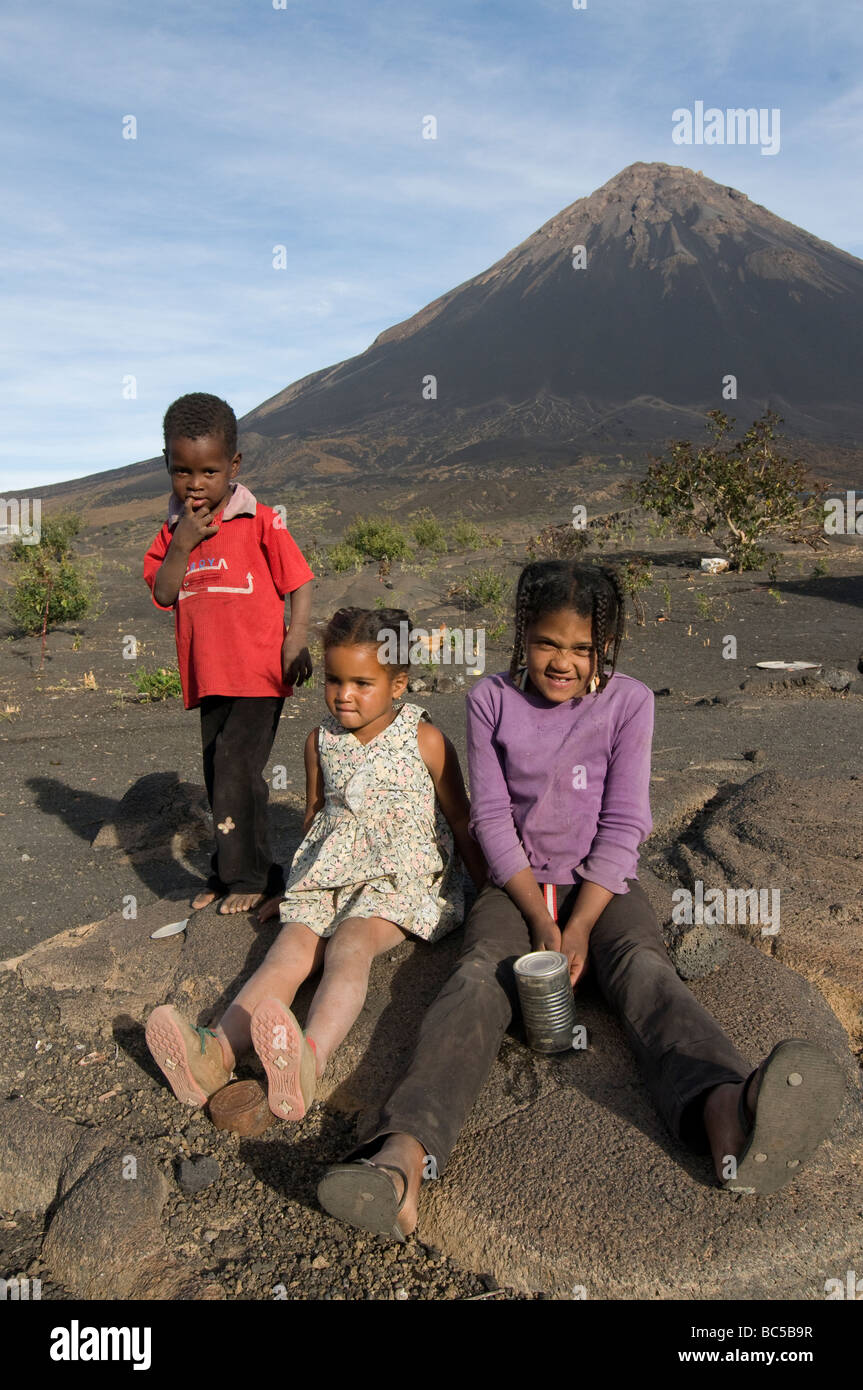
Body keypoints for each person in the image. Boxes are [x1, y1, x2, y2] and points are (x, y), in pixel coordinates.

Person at [316, 561, 845, 1240]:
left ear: (608, 648)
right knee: (477, 979)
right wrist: (540, 919)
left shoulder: (629, 703)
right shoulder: (491, 701)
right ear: (521, 635)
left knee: (644, 970)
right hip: (516, 887)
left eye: (582, 648)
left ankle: (724, 1109)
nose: (561, 662)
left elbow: (625, 821)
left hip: (602, 885)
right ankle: (401, 1159)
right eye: (546, 643)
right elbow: (492, 821)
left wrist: (581, 924)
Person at [145, 606, 487, 1120]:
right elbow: (316, 817)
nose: (343, 694)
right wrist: (297, 887)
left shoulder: (426, 740)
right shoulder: (319, 742)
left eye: (362, 682)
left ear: (399, 684)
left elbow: (460, 818)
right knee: (288, 950)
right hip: (329, 877)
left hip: (400, 880)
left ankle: (307, 1058)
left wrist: (485, 888)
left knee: (350, 941)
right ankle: (214, 1052)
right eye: (333, 679)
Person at [143, 392, 314, 915]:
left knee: (237, 769)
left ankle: (252, 878)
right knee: (221, 776)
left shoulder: (261, 519)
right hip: (210, 677)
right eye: (182, 471)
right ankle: (233, 872)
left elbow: (300, 580)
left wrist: (297, 637)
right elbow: (165, 593)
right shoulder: (172, 532)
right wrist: (183, 543)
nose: (195, 484)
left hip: (260, 673)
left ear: (233, 465)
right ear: (168, 466)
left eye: (210, 471)